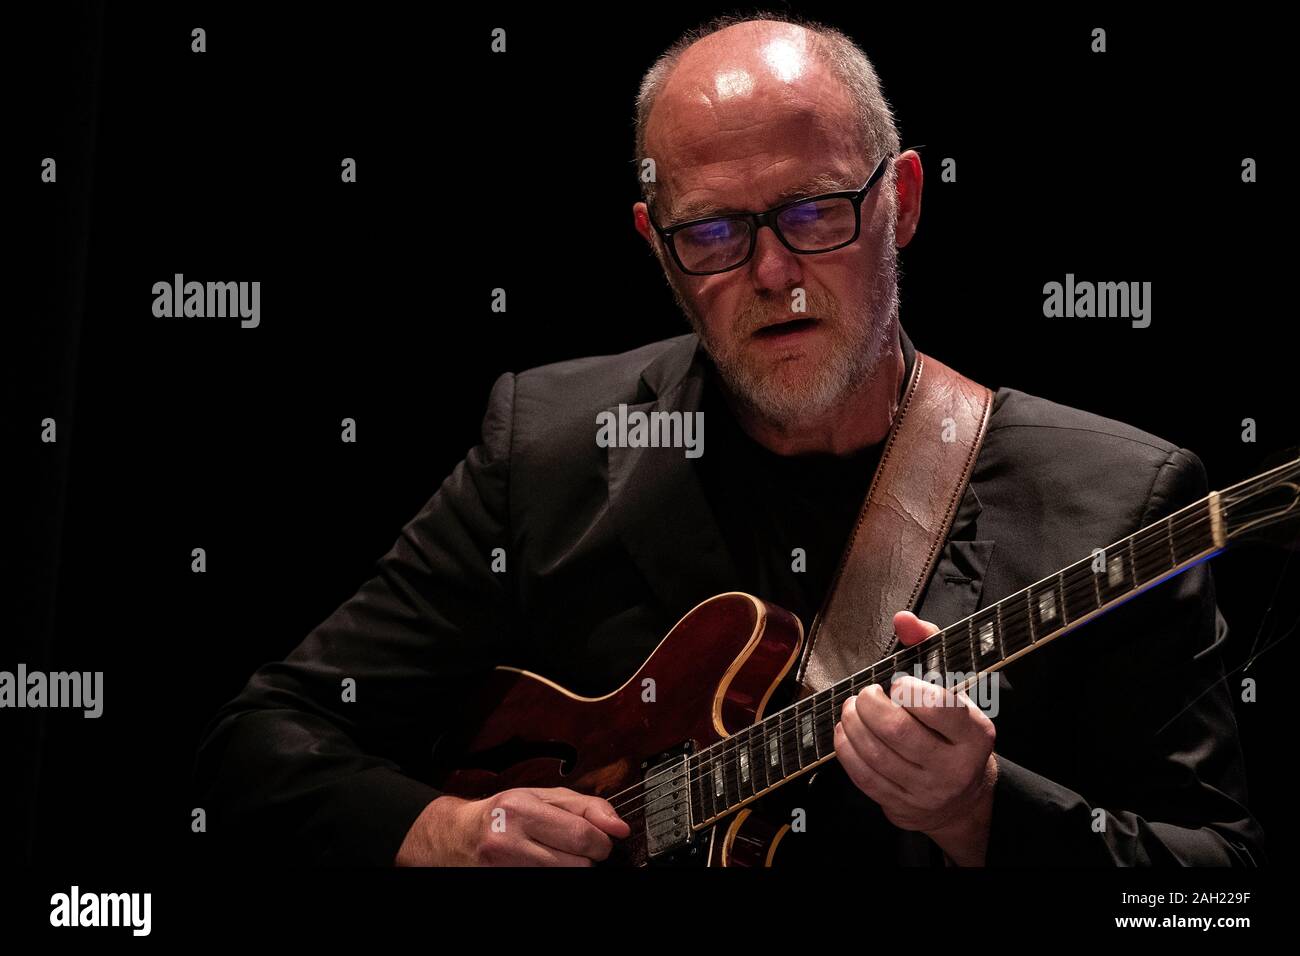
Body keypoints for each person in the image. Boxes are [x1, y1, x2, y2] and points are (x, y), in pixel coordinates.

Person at [194, 12, 1263, 867]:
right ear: (654, 246)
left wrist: (982, 813)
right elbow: (262, 737)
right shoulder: (550, 445)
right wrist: (444, 831)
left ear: (899, 202)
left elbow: (1212, 880)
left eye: (814, 213)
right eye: (711, 230)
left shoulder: (1119, 495)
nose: (771, 272)